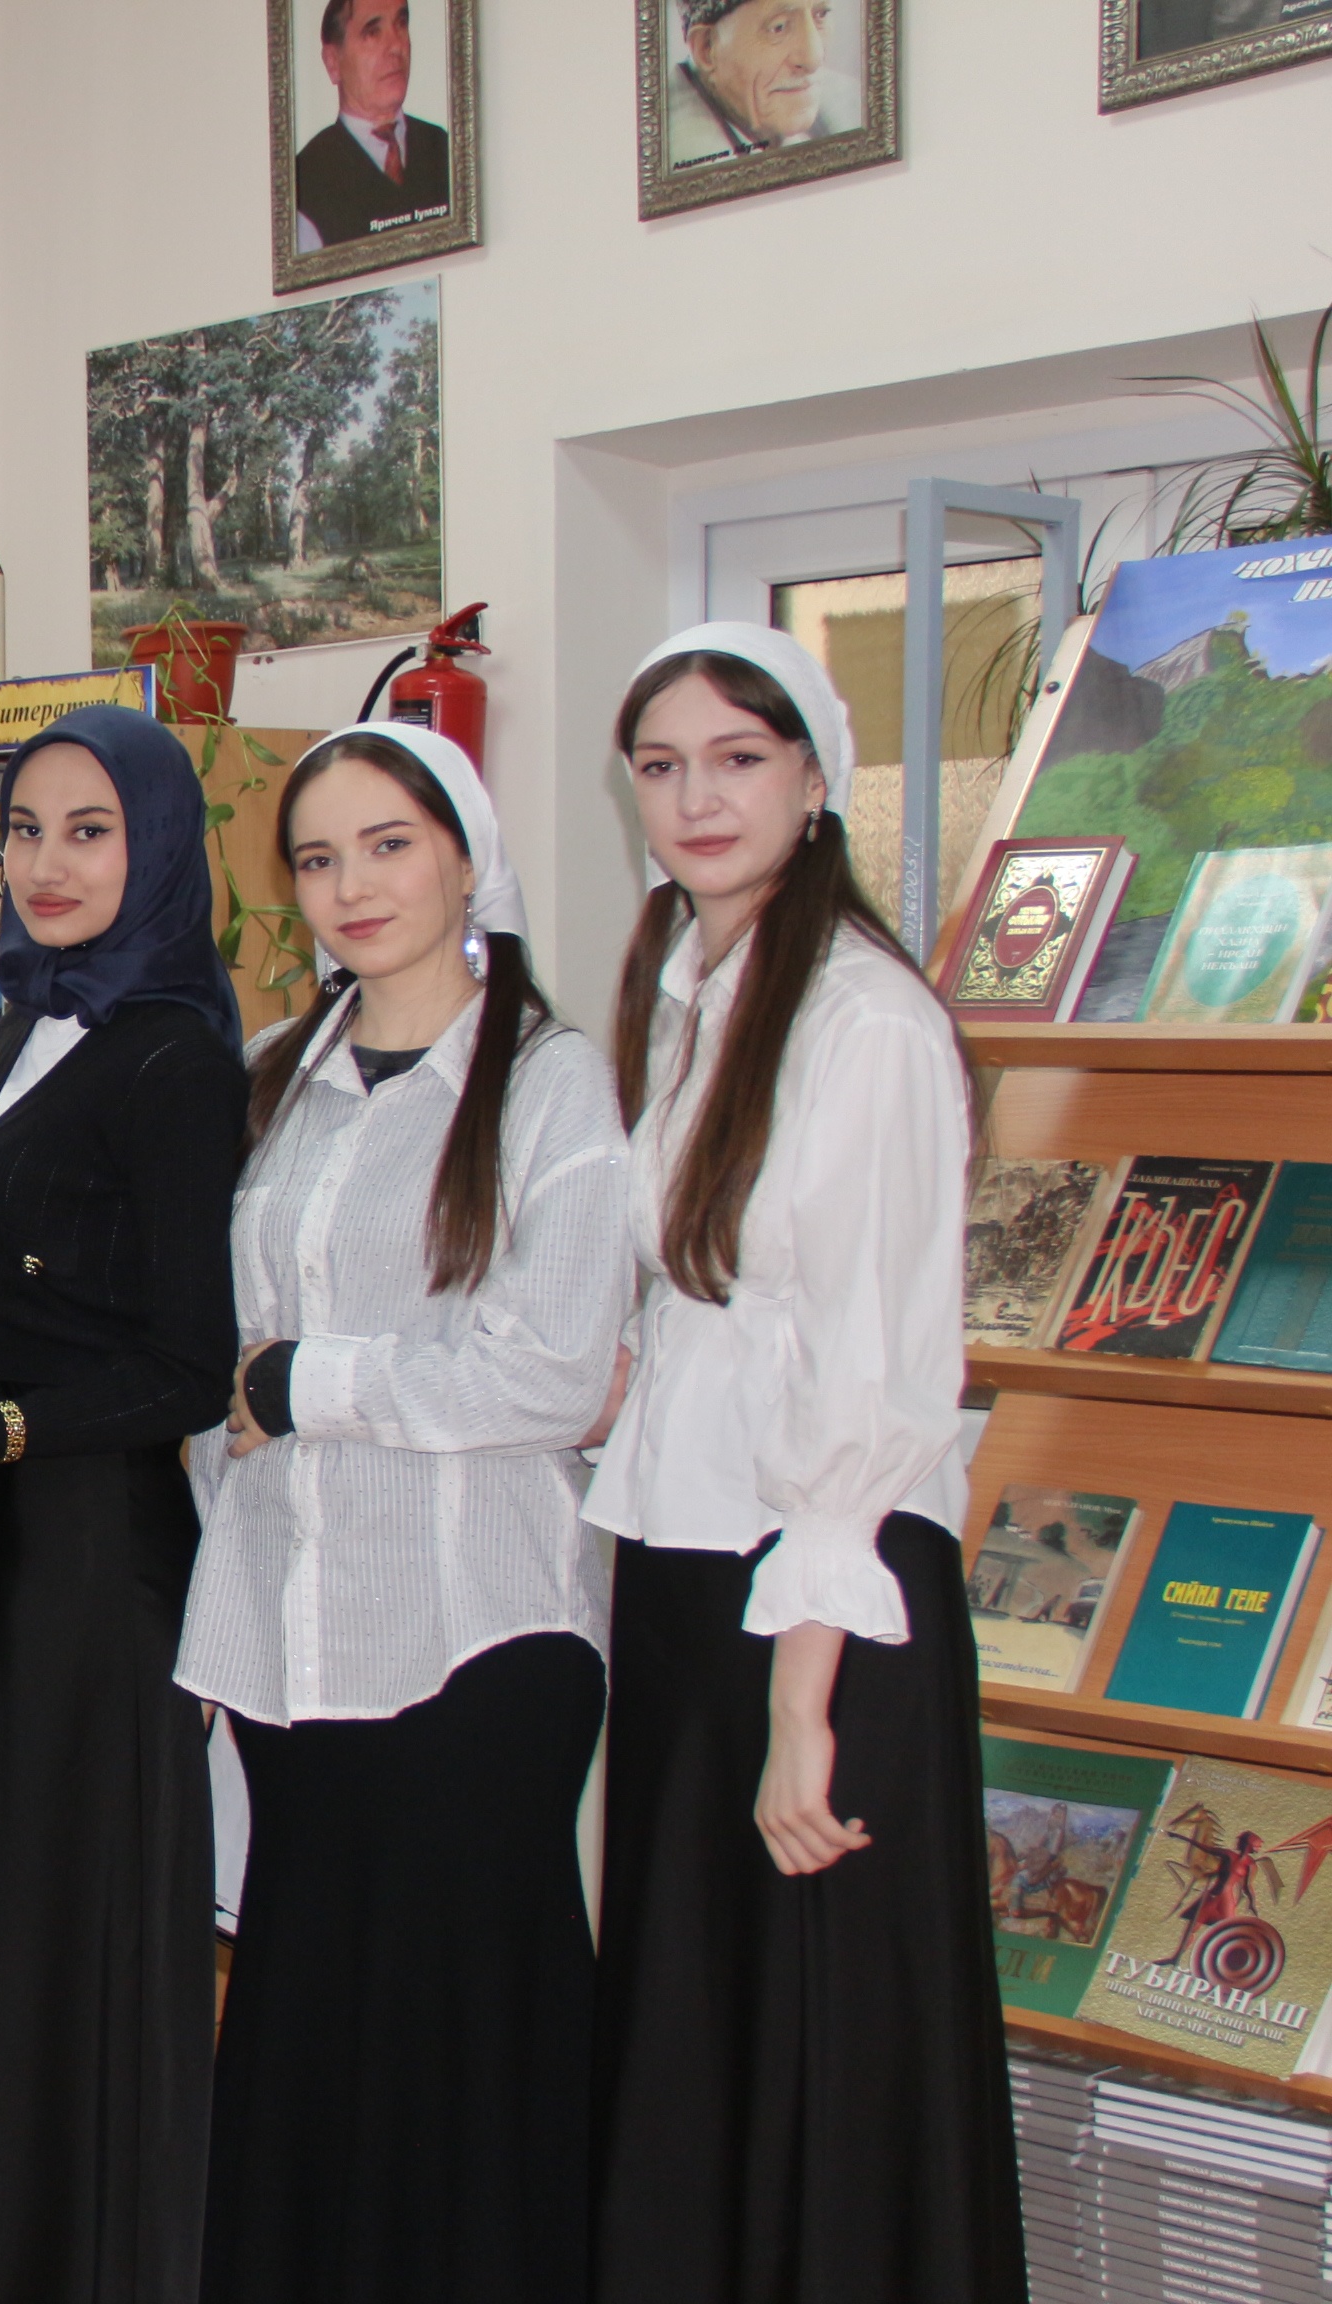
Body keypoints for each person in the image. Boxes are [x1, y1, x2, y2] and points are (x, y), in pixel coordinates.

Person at [586, 625, 1020, 2304]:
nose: (697, 796)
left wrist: (801, 1699)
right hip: (693, 1569)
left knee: (822, 2050)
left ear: (814, 778)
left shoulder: (864, 1018)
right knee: (700, 2040)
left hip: (823, 1600)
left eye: (738, 757)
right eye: (662, 764)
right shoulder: (688, 992)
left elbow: (877, 1371)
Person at [180, 725, 631, 2304]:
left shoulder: (553, 1083)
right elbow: (221, 1366)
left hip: (475, 1644)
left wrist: (311, 1382)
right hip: (292, 1645)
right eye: (318, 857)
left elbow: (552, 1370)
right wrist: (251, 1421)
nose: (352, 885)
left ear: (465, 856)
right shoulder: (278, 1079)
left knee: (463, 2063)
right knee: (308, 2051)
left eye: (389, 844)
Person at [0, 703, 246, 2304]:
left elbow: (188, 1366)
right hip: (3, 1558)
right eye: (24, 830)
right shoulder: (42, 1018)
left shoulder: (171, 1053)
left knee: (65, 1962)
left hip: (96, 1571)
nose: (49, 863)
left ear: (155, 847)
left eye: (90, 831)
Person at [294, 0, 452, 250]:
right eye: (373, 32)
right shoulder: (305, 183)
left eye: (401, 24)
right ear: (333, 62)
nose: (396, 46)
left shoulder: (443, 148)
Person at [667, 0, 859, 165]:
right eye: (779, 27)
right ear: (707, 48)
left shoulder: (853, 104)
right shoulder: (675, 154)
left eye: (821, 15)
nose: (813, 58)